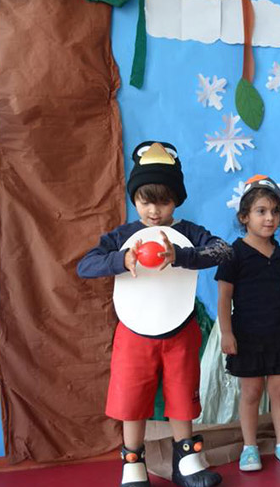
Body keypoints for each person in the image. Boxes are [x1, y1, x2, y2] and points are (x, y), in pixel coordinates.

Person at [78, 141, 228, 487]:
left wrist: (182, 255)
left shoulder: (188, 233)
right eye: (145, 201)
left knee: (182, 395)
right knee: (131, 399)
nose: (154, 211)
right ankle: (133, 465)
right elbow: (85, 266)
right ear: (134, 198)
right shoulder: (124, 236)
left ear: (177, 200)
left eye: (164, 201)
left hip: (181, 330)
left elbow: (223, 251)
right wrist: (121, 259)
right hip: (134, 333)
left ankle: (187, 462)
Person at [217, 175, 280, 471]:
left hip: (279, 334)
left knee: (279, 392)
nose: (270, 218)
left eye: (275, 212)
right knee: (252, 393)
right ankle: (250, 447)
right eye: (261, 211)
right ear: (244, 217)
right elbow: (224, 297)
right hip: (247, 337)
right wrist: (226, 333)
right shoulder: (233, 254)